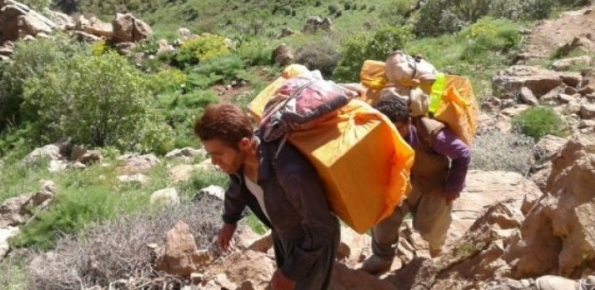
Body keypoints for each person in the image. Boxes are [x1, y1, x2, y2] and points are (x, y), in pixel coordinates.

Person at [194, 103, 340, 290]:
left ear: (245, 144)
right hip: (282, 231)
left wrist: (290, 272)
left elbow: (322, 227)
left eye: (218, 154)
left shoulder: (290, 174)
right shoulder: (239, 163)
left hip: (311, 243)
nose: (214, 162)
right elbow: (237, 188)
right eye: (210, 155)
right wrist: (230, 221)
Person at [361, 97, 471, 275]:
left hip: (431, 186)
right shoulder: (376, 133)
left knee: (433, 228)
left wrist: (453, 188)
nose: (394, 133)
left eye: (399, 128)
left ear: (409, 122)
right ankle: (383, 258)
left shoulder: (430, 133)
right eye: (388, 128)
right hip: (395, 186)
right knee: (383, 221)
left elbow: (462, 154)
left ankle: (437, 254)